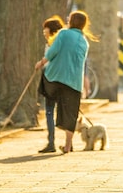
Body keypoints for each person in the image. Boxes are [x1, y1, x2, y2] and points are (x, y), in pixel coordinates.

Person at [34, 11, 97, 154]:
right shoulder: (84, 41)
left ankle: (51, 142)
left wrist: (41, 62)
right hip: (74, 82)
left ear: (71, 21)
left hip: (55, 77)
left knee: (49, 108)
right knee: (71, 113)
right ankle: (68, 145)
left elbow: (52, 52)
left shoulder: (63, 34)